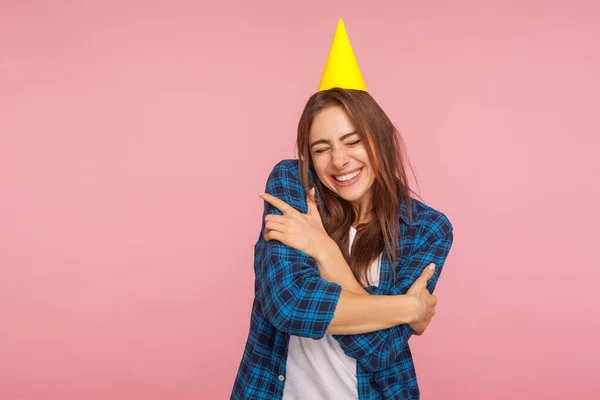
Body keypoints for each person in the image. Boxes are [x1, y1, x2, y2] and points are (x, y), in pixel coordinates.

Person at [231, 19, 454, 400]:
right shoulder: (292, 184)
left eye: (352, 141)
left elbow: (380, 350)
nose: (339, 161)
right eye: (321, 148)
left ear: (379, 140)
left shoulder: (427, 228)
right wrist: (406, 308)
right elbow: (286, 304)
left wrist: (325, 250)